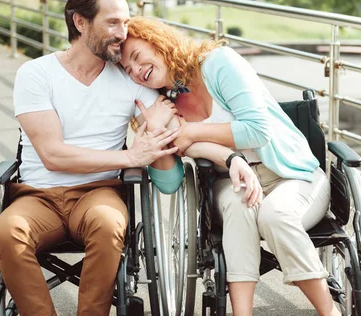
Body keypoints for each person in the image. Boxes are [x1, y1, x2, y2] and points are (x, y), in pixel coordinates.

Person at [0, 0, 258, 316]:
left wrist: (231, 157)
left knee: (109, 225)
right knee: (7, 232)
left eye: (126, 21)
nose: (122, 31)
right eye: (113, 22)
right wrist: (131, 156)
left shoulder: (129, 81)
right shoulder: (36, 74)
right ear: (80, 22)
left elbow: (183, 137)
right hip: (37, 194)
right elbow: (52, 154)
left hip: (99, 193)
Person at [120, 16, 339, 316]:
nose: (136, 71)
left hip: (291, 174)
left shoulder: (217, 63)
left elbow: (257, 131)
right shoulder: (166, 104)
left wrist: (191, 132)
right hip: (228, 181)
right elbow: (173, 175)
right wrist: (158, 132)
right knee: (239, 206)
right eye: (128, 70)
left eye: (136, 56)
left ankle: (330, 313)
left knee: (276, 215)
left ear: (157, 41)